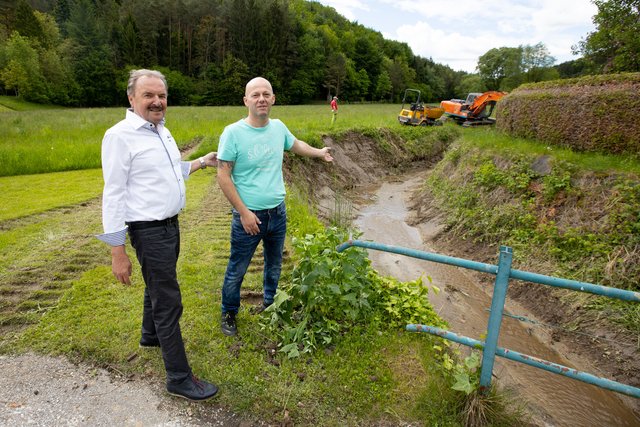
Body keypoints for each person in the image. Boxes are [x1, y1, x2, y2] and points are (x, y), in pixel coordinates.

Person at [97, 69, 218, 401]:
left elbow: (169, 172)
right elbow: (113, 195)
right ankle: (178, 377)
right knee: (168, 300)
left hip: (169, 226)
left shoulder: (160, 132)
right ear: (131, 98)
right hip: (148, 231)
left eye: (161, 96)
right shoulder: (120, 136)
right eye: (148, 95)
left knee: (159, 285)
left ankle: (149, 335)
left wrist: (202, 162)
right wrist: (116, 252)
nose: (157, 102)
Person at [217, 77, 334, 336]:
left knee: (274, 264)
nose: (261, 99)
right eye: (255, 94)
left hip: (277, 213)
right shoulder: (233, 133)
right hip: (249, 217)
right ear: (246, 100)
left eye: (266, 94)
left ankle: (270, 304)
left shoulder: (279, 127)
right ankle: (228, 312)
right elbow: (223, 176)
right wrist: (244, 213)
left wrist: (318, 152)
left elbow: (295, 145)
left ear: (273, 99)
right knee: (237, 268)